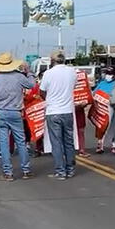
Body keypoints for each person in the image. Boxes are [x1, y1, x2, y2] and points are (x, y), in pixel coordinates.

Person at [0, 52, 35, 181]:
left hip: (1, 113)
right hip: (16, 112)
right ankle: (26, 170)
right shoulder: (18, 77)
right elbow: (32, 84)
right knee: (21, 142)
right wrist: (29, 71)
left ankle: (8, 173)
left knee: (4, 143)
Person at [40, 50, 77, 180]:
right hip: (67, 110)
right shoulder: (72, 72)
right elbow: (73, 86)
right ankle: (70, 169)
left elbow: (42, 92)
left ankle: (60, 171)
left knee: (56, 143)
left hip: (53, 111)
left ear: (52, 60)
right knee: (68, 142)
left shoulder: (48, 74)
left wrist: (50, 98)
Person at [94, 67, 115, 154]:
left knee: (112, 126)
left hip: (111, 108)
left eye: (110, 74)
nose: (108, 75)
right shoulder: (102, 83)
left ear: (114, 76)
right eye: (107, 73)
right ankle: (100, 144)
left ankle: (114, 144)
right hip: (100, 108)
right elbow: (94, 93)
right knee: (100, 126)